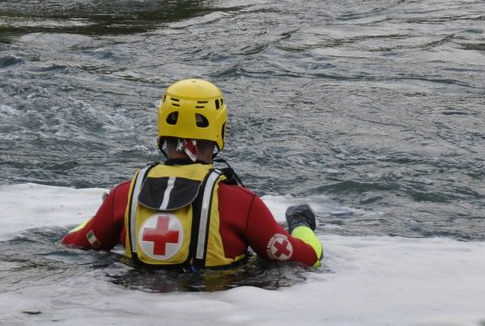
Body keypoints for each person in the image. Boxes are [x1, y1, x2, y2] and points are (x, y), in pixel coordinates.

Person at [61, 79, 323, 270]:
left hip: (137, 319)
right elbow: (307, 257)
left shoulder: (124, 196)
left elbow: (73, 244)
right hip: (213, 319)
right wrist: (300, 223)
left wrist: (103, 214)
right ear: (219, 129)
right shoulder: (241, 202)